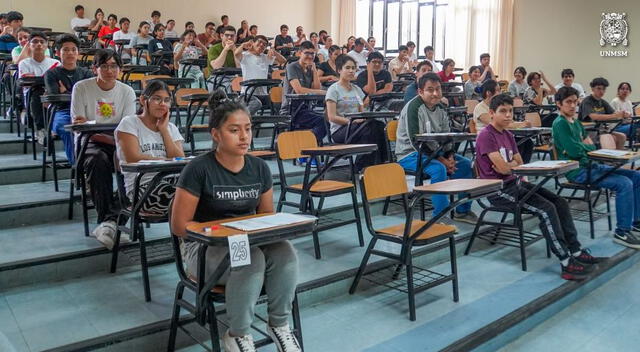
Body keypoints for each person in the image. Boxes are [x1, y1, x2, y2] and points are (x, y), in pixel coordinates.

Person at [171, 90, 302, 352]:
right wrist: (221, 234)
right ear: (216, 134)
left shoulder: (259, 168)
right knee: (251, 258)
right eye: (234, 130)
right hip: (205, 247)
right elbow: (178, 226)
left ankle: (279, 325)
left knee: (285, 251)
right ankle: (237, 334)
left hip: (246, 240)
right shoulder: (198, 169)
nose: (244, 137)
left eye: (248, 129)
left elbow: (266, 218)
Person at [476, 93, 605, 280]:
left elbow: (518, 163)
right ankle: (566, 262)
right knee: (546, 210)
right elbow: (504, 169)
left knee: (559, 201)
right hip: (497, 190)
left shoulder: (509, 135)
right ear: (492, 113)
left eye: (510, 111)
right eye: (502, 111)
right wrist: (510, 165)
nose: (507, 115)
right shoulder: (486, 136)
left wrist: (510, 166)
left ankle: (576, 251)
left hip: (515, 183)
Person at [553, 86, 640, 249]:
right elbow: (574, 151)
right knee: (624, 184)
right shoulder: (560, 124)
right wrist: (584, 148)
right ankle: (622, 231)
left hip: (591, 165)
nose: (572, 105)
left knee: (636, 177)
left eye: (575, 101)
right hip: (576, 171)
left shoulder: (576, 122)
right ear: (558, 104)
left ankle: (636, 222)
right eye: (568, 102)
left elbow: (591, 147)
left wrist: (583, 148)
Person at [71, 50, 136, 247]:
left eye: (114, 66)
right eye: (104, 66)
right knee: (98, 160)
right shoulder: (81, 88)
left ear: (120, 69)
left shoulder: (127, 91)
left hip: (119, 141)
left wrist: (98, 129)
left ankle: (108, 223)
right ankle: (108, 221)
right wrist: (100, 133)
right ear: (95, 68)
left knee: (134, 164)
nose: (110, 70)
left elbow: (128, 128)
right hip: (89, 141)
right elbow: (79, 125)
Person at [395, 73, 478, 223]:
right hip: (410, 154)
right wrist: (442, 160)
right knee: (438, 169)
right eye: (430, 90)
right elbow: (416, 141)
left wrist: (450, 156)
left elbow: (447, 135)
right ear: (420, 92)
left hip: (435, 152)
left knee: (466, 165)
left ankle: (463, 211)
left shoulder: (441, 107)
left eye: (438, 89)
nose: (435, 93)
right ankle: (440, 217)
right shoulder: (413, 107)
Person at [115, 80, 184, 214]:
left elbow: (180, 159)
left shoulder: (171, 128)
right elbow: (132, 157)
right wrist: (167, 161)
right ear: (143, 100)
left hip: (172, 182)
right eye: (157, 99)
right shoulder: (129, 123)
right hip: (142, 188)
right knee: (190, 200)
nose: (162, 104)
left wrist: (164, 130)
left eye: (166, 100)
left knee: (205, 193)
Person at [326, 54, 387, 171]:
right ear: (339, 70)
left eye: (353, 68)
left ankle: (380, 164)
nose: (351, 71)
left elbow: (361, 113)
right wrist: (352, 122)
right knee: (370, 129)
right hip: (340, 130)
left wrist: (361, 121)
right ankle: (362, 166)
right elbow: (332, 117)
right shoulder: (333, 90)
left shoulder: (357, 89)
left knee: (379, 126)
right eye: (347, 68)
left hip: (358, 127)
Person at [44, 34, 93, 164]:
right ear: (58, 53)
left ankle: (92, 166)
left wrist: (66, 92)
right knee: (69, 129)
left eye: (73, 49)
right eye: (66, 49)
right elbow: (56, 99)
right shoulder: (51, 74)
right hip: (62, 111)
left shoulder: (86, 73)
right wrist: (75, 95)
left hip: (85, 111)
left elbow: (90, 96)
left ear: (78, 52)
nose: (70, 53)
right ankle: (78, 168)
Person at [474, 80, 533, 162]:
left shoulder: (500, 106)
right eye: (498, 90)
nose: (500, 92)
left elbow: (510, 122)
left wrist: (524, 123)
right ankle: (517, 168)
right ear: (488, 93)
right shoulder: (480, 108)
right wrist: (521, 125)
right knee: (519, 143)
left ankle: (522, 170)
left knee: (528, 142)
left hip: (502, 135)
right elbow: (497, 123)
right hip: (489, 138)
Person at [18, 31, 60, 144]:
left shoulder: (55, 62)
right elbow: (28, 82)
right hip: (32, 97)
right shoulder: (24, 63)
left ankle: (55, 128)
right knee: (37, 93)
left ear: (46, 45)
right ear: (29, 45)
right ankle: (41, 130)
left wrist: (46, 86)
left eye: (42, 42)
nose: (39, 44)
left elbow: (59, 82)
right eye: (35, 42)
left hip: (52, 94)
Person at [280, 41, 326, 142]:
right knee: (322, 121)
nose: (310, 56)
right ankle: (306, 144)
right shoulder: (292, 67)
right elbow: (299, 90)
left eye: (312, 54)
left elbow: (317, 87)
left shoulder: (310, 68)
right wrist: (321, 92)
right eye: (307, 53)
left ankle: (306, 146)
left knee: (327, 119)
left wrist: (314, 69)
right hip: (291, 110)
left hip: (306, 109)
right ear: (300, 53)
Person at [234, 35, 286, 114]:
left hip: (263, 94)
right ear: (253, 43)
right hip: (248, 93)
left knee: (278, 103)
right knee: (256, 103)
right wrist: (243, 45)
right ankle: (243, 118)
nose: (262, 45)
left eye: (264, 44)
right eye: (259, 42)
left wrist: (274, 51)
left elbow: (283, 61)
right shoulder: (245, 55)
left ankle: (274, 124)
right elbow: (236, 53)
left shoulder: (265, 57)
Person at [579, 77, 629, 148]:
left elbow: (615, 113)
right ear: (592, 89)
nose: (602, 91)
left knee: (622, 136)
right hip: (589, 131)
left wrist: (623, 114)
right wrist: (614, 116)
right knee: (608, 138)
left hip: (601, 130)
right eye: (599, 88)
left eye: (604, 89)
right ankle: (608, 156)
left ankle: (617, 157)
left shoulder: (603, 102)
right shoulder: (587, 101)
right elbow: (594, 117)